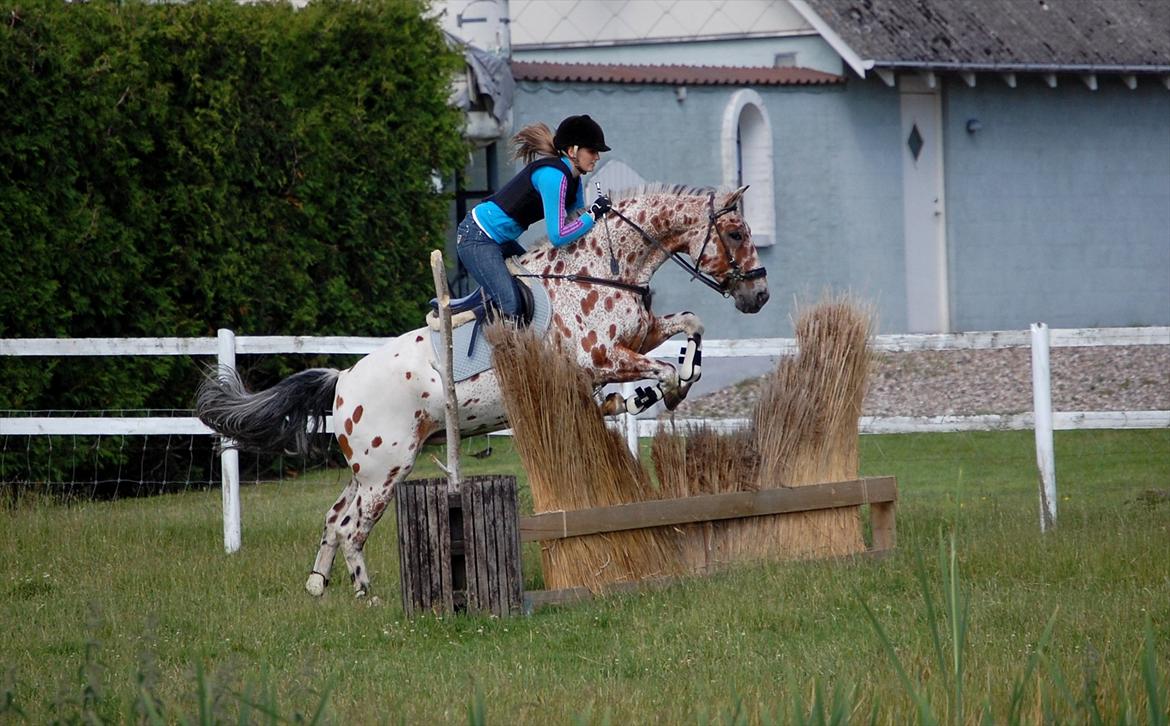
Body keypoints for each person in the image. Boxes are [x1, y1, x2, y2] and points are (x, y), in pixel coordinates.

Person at [456, 114, 613, 323]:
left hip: (500, 241)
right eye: (592, 151)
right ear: (573, 151)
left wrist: (597, 216)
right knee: (512, 307)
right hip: (477, 239)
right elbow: (558, 236)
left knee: (538, 291)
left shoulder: (574, 180)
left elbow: (576, 222)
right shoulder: (554, 177)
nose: (597, 157)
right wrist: (592, 214)